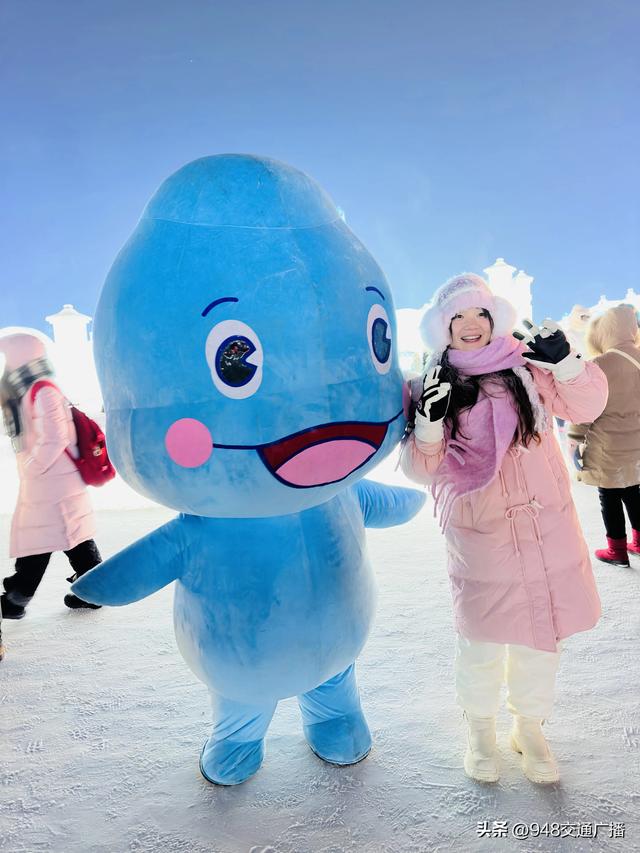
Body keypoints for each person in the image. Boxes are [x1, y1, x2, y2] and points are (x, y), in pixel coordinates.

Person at [401, 273, 608, 785]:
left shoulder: (528, 365)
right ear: (442, 328)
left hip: (547, 527)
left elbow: (587, 406)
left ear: (496, 320)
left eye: (481, 315)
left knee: (542, 638)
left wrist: (567, 363)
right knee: (483, 641)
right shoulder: (432, 379)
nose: (471, 326)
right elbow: (419, 469)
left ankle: (530, 727)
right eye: (459, 318)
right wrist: (428, 426)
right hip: (482, 536)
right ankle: (481, 728)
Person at [0, 332, 103, 620]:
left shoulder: (42, 390)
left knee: (40, 540)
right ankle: (95, 590)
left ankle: (16, 599)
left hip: (51, 481)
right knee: (72, 536)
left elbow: (55, 437)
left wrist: (33, 466)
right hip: (56, 481)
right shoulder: (32, 388)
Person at [567, 304, 640, 567]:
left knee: (608, 495)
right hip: (636, 442)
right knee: (633, 489)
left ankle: (617, 551)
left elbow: (588, 408)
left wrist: (574, 437)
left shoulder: (600, 364)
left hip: (608, 443)